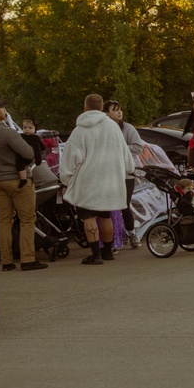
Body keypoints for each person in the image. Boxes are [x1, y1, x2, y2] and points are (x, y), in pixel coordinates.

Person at [61, 94, 136, 266]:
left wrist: (66, 178)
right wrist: (129, 169)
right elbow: (124, 151)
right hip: (110, 179)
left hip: (87, 180)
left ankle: (95, 255)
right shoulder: (113, 127)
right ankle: (108, 252)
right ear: (102, 107)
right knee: (105, 215)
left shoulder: (79, 130)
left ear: (85, 107)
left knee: (88, 217)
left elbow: (71, 157)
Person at [0, 97, 47, 271]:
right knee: (27, 219)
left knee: (4, 221)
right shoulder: (8, 133)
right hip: (17, 181)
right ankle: (27, 259)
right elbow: (29, 153)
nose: (4, 111)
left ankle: (6, 261)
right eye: (2, 108)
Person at [102, 101, 143, 248]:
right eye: (115, 110)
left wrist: (119, 148)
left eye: (120, 110)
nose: (119, 113)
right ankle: (112, 238)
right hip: (107, 173)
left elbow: (138, 147)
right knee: (108, 206)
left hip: (126, 173)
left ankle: (131, 233)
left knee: (124, 204)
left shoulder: (127, 128)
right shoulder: (102, 129)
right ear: (106, 113)